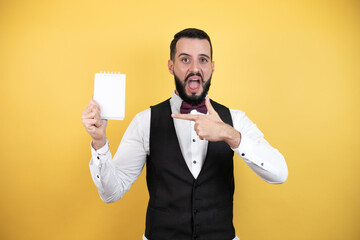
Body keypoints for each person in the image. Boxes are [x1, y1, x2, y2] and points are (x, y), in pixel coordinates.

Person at [81, 28, 288, 240]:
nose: (195, 68)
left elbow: (280, 174)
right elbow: (111, 193)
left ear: (212, 67)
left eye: (203, 60)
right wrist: (99, 142)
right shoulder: (145, 121)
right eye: (185, 59)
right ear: (171, 66)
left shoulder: (235, 120)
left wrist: (230, 135)